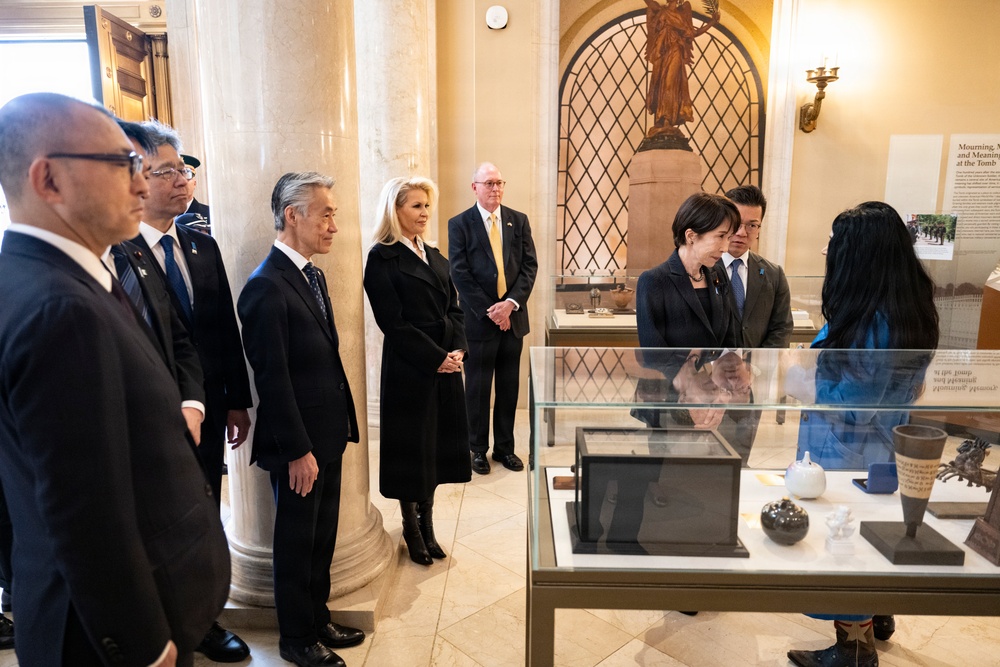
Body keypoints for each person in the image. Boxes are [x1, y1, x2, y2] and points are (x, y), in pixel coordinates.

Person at [0, 92, 230, 666]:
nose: (139, 184)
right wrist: (145, 646)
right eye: (120, 165)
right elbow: (85, 512)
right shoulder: (60, 309)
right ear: (48, 179)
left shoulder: (48, 274)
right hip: (103, 636)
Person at [787, 201, 939, 667]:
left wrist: (800, 380)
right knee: (872, 525)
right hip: (882, 443)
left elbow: (852, 405)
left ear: (860, 254)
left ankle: (853, 646)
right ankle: (879, 610)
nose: (825, 250)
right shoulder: (908, 305)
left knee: (843, 539)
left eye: (835, 244)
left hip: (846, 447)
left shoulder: (872, 321)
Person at [129, 119, 253, 663]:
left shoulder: (201, 246)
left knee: (203, 511)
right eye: (168, 172)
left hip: (207, 410)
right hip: (149, 421)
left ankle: (204, 620)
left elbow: (224, 329)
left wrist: (235, 400)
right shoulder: (118, 252)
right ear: (138, 178)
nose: (183, 182)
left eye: (186, 171)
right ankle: (160, 623)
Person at [238, 171, 365, 667]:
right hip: (299, 446)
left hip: (326, 435)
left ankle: (318, 618)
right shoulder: (265, 287)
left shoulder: (312, 273)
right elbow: (273, 379)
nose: (335, 224)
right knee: (295, 543)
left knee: (322, 537)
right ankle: (296, 639)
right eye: (326, 213)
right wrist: (297, 450)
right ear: (294, 215)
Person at [364, 177, 472, 565]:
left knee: (436, 447)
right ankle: (411, 526)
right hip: (412, 367)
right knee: (412, 449)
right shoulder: (382, 258)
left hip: (445, 362)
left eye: (427, 205)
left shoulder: (435, 255)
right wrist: (435, 357)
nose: (424, 213)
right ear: (395, 210)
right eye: (415, 206)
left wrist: (458, 347)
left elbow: (455, 308)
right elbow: (392, 323)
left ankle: (428, 522)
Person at [448, 162, 538, 475]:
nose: (495, 188)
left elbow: (529, 266)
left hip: (512, 321)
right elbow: (459, 273)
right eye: (488, 183)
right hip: (478, 322)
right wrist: (492, 310)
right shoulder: (460, 224)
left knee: (509, 388)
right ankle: (476, 449)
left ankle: (504, 449)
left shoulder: (518, 220)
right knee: (477, 388)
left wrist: (510, 304)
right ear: (474, 187)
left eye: (499, 182)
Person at [636, 191, 742, 349]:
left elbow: (731, 338)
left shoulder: (718, 274)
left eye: (729, 238)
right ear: (691, 235)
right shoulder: (653, 281)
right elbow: (651, 352)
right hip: (672, 374)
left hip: (715, 373)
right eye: (720, 236)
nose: (725, 248)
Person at [719, 184, 793, 348]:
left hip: (758, 370)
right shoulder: (701, 271)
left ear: (759, 228)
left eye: (752, 225)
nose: (742, 233)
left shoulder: (774, 274)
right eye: (736, 223)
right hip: (711, 369)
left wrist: (757, 366)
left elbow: (782, 328)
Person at [643, 0, 720, 137]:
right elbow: (649, 2)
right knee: (658, 85)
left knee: (670, 84)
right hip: (661, 52)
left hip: (675, 50)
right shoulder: (660, 10)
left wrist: (712, 23)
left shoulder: (682, 12)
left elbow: (693, 33)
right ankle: (660, 120)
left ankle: (667, 119)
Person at [176, 154, 211, 233]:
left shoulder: (210, 215)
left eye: (187, 176)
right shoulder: (158, 217)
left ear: (194, 183)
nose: (182, 182)